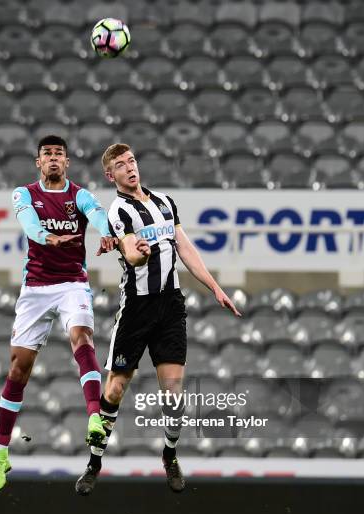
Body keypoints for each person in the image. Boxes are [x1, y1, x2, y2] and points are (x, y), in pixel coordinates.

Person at [75, 143, 241, 495]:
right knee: (116, 388)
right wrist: (139, 254)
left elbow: (184, 247)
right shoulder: (118, 211)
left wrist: (215, 287)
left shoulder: (165, 202)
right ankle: (94, 462)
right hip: (137, 307)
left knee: (173, 393)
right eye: (121, 165)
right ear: (111, 175)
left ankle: (169, 454)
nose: (130, 168)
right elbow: (131, 252)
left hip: (170, 305)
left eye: (132, 161)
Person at [0, 135, 117, 491]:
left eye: (60, 154)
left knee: (82, 336)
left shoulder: (81, 195)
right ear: (38, 162)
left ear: (68, 162)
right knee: (18, 369)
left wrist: (106, 234)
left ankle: (94, 417)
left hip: (72, 284)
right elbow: (29, 224)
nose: (54, 159)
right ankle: (1, 453)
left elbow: (98, 215)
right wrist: (47, 237)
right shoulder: (24, 193)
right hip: (35, 290)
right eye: (48, 155)